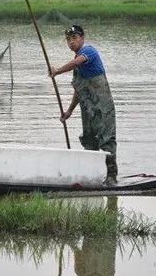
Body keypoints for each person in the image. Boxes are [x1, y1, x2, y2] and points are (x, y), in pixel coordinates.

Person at [49, 25, 117, 185]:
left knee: (107, 140)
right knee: (89, 140)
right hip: (87, 109)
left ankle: (112, 177)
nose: (71, 42)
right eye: (68, 39)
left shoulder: (89, 52)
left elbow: (78, 61)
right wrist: (69, 111)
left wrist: (57, 71)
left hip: (103, 107)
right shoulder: (77, 68)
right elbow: (79, 90)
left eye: (74, 38)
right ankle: (91, 175)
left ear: (82, 37)